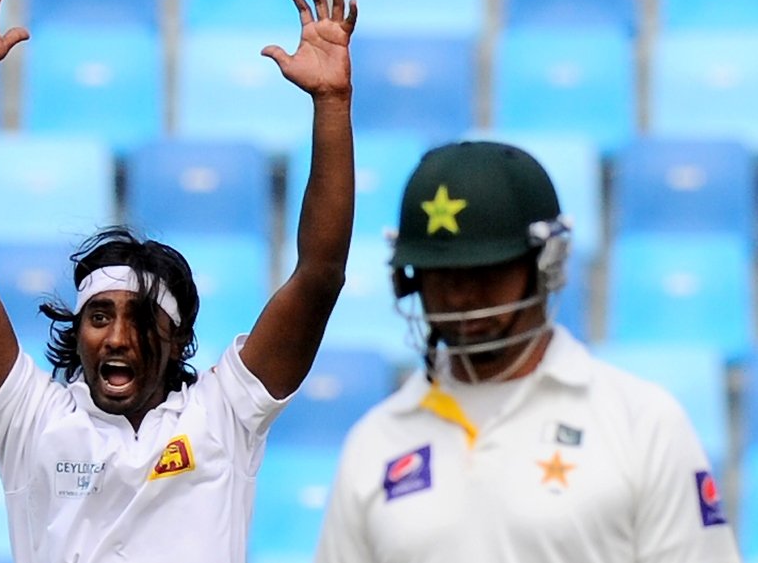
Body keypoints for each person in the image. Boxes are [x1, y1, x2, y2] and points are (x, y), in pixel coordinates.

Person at [0, 0, 357, 563]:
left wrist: (332, 107)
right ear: (78, 333)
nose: (118, 337)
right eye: (99, 317)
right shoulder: (32, 420)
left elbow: (320, 276)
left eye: (142, 318)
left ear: (178, 340)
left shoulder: (223, 414)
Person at [314, 141, 742, 563]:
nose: (461, 297)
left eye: (484, 270)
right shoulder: (375, 441)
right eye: (441, 274)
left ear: (546, 264)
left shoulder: (641, 422)